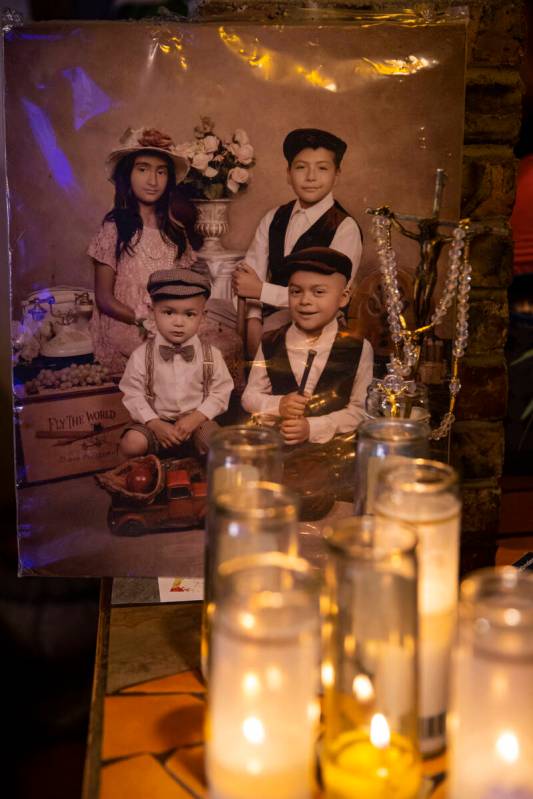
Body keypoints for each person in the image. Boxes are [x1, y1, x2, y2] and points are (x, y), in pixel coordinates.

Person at [232, 128, 363, 355]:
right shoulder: (274, 217)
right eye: (301, 167)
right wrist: (253, 319)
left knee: (276, 331)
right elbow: (249, 278)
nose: (311, 177)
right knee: (211, 312)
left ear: (337, 174)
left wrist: (261, 292)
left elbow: (326, 296)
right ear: (288, 173)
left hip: (313, 315)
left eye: (322, 168)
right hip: (265, 309)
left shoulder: (344, 227)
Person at [88, 127, 199, 374]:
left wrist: (173, 322)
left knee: (217, 348)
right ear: (128, 176)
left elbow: (184, 290)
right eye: (143, 169)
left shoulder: (175, 233)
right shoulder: (114, 229)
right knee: (155, 362)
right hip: (127, 323)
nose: (152, 181)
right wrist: (143, 320)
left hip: (171, 323)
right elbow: (104, 298)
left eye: (161, 172)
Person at [241, 247, 373, 447]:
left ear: (344, 297)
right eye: (295, 292)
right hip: (279, 449)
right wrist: (279, 405)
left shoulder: (359, 348)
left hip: (332, 455)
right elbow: (249, 397)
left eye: (318, 292)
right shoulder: (270, 342)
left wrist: (313, 427)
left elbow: (360, 411)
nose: (305, 301)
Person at [119, 268, 233, 458]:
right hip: (156, 422)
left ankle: (201, 473)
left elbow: (221, 391)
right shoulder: (141, 356)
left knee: (217, 444)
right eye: (168, 312)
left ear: (203, 316)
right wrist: (153, 423)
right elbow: (132, 394)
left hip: (197, 422)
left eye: (189, 314)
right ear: (152, 312)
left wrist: (196, 418)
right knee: (132, 444)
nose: (178, 322)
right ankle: (136, 475)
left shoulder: (211, 355)